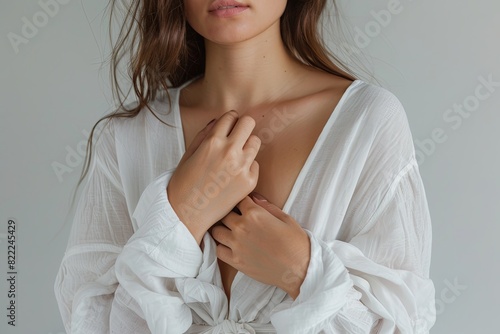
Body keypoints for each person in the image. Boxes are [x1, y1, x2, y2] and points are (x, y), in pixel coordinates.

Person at [54, 0, 436, 333]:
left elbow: (399, 324)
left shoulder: (365, 122)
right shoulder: (127, 140)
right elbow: (90, 323)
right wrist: (182, 216)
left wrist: (302, 270)